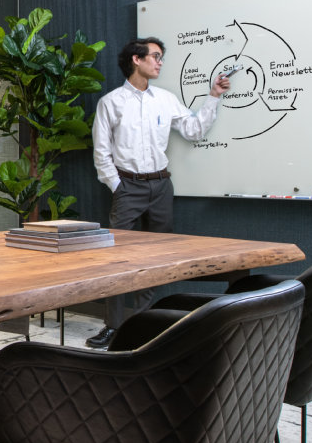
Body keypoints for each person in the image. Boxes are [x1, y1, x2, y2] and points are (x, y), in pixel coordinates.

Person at [86, 37, 230, 348]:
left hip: (162, 186)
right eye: (155, 56)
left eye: (161, 57)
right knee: (114, 259)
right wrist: (118, 185)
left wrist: (213, 96)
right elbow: (101, 152)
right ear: (136, 60)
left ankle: (142, 325)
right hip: (128, 187)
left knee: (157, 257)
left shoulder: (165, 99)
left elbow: (193, 131)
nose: (160, 62)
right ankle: (112, 326)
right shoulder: (111, 103)